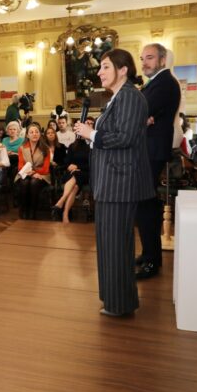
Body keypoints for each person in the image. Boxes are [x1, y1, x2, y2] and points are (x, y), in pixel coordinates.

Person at [74, 49, 155, 317]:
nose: (99, 72)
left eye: (105, 66)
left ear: (123, 70)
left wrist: (92, 134)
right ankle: (114, 300)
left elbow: (125, 138)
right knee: (110, 244)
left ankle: (120, 304)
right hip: (111, 181)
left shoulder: (130, 96)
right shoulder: (118, 97)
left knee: (116, 246)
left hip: (120, 182)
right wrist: (92, 135)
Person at [135, 43, 181, 280]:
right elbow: (142, 113)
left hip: (152, 151)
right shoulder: (155, 83)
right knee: (145, 204)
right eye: (142, 58)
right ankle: (149, 254)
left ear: (162, 60)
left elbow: (139, 111)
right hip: (148, 149)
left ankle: (152, 260)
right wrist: (144, 118)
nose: (144, 62)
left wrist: (144, 117)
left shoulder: (164, 83)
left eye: (150, 57)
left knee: (144, 204)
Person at [51, 132, 91, 224]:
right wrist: (70, 166)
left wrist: (77, 167)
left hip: (85, 172)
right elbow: (67, 161)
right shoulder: (72, 146)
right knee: (75, 187)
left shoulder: (91, 146)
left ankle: (61, 201)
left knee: (76, 175)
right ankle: (65, 214)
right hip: (72, 172)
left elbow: (91, 164)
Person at [15, 123, 51, 219]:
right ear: (27, 135)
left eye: (36, 132)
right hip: (25, 173)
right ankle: (23, 210)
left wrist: (34, 172)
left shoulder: (46, 149)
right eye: (31, 132)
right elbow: (20, 166)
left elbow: (46, 169)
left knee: (34, 182)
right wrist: (32, 173)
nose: (34, 134)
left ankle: (33, 212)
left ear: (40, 134)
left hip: (42, 175)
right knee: (24, 182)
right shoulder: (22, 148)